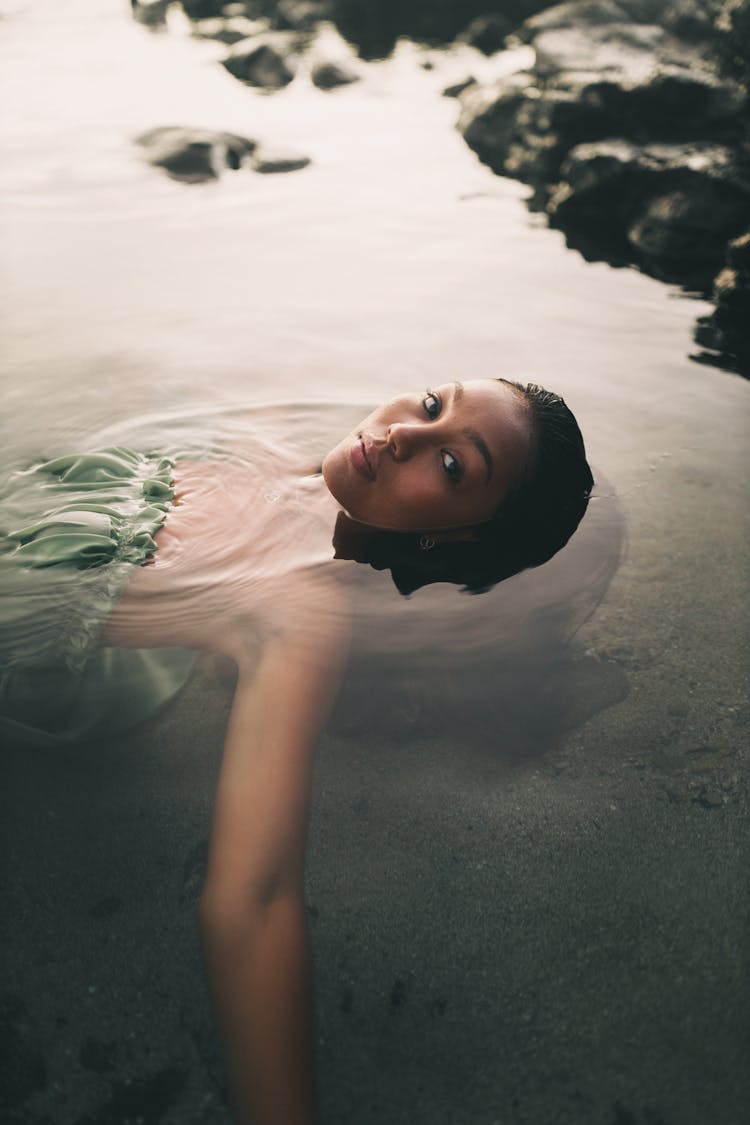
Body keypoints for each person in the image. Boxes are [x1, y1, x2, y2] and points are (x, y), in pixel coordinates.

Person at [2, 377, 592, 1125]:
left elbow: (255, 899)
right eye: (433, 404)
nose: (403, 434)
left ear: (458, 536)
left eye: (451, 467)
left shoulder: (302, 611)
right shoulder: (275, 455)